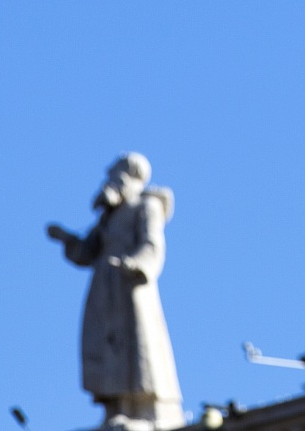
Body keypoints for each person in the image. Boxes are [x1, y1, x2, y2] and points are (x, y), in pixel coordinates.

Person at [47, 153, 183, 431]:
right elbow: (88, 251)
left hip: (131, 286)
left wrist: (137, 264)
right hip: (104, 287)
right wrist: (67, 238)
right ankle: (115, 409)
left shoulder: (146, 206)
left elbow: (152, 244)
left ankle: (143, 410)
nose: (110, 181)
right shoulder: (110, 215)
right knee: (106, 346)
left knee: (136, 346)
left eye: (116, 175)